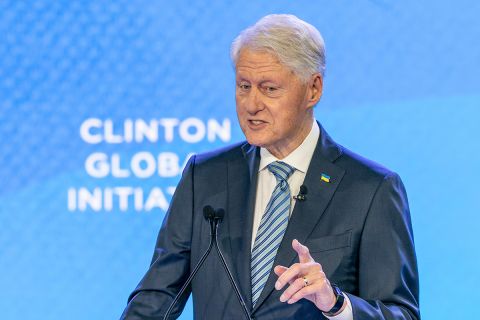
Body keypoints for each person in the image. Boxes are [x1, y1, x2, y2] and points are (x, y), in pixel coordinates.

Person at [120, 14, 420, 319]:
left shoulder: (371, 190)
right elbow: (158, 297)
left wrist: (337, 304)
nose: (251, 104)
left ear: (313, 89)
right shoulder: (205, 177)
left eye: (269, 89)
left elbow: (402, 314)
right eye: (243, 86)